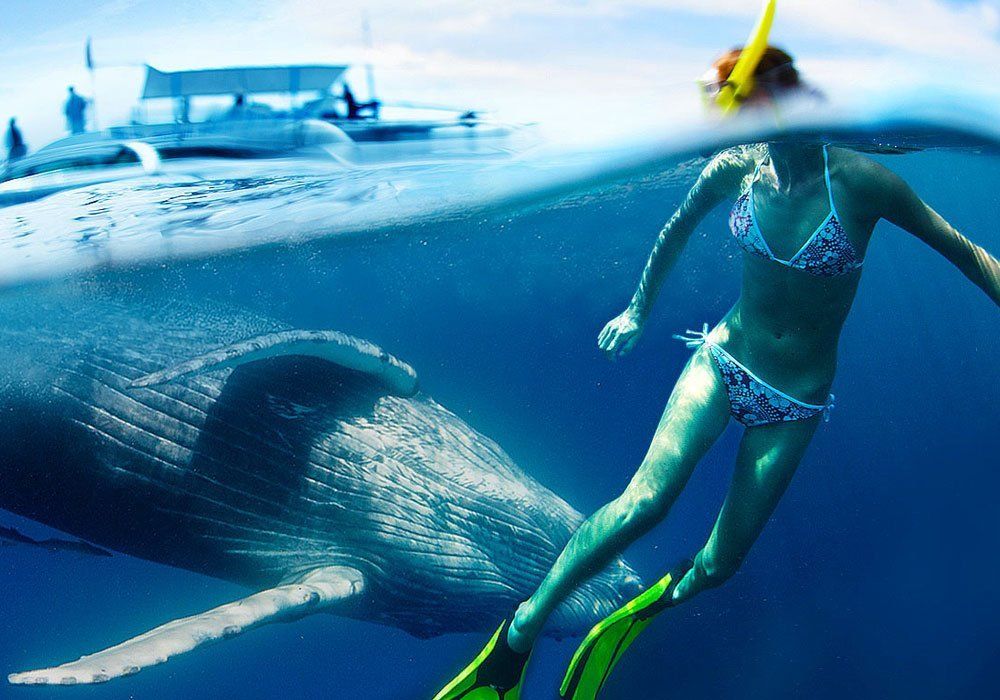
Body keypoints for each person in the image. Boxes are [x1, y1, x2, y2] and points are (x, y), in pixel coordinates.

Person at [433, 45, 1000, 700]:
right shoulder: (735, 167)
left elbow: (965, 252)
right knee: (644, 503)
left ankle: (656, 600)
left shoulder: (860, 181)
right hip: (723, 358)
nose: (727, 126)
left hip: (796, 399)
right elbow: (675, 228)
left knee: (721, 565)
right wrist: (637, 310)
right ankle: (519, 634)